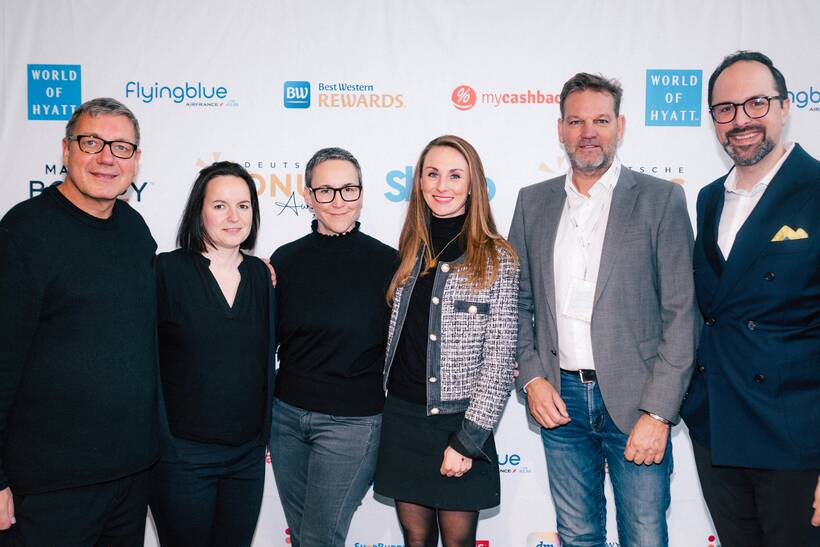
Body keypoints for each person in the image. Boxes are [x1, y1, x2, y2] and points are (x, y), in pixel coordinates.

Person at [508, 73, 697, 546]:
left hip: (638, 403)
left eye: (600, 120)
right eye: (576, 121)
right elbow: (518, 303)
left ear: (621, 125)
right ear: (560, 129)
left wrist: (658, 413)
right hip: (560, 399)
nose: (587, 132)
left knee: (645, 535)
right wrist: (531, 379)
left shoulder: (660, 199)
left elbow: (682, 312)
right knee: (577, 535)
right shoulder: (533, 203)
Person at [0, 98, 159, 546]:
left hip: (129, 479)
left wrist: (245, 269)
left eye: (122, 147)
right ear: (66, 150)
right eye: (92, 142)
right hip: (48, 488)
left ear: (137, 160)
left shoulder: (134, 229)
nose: (107, 157)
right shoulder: (23, 234)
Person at [680, 50, 820, 545]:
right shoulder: (708, 198)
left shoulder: (816, 188)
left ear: (785, 107)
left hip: (795, 436)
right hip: (718, 427)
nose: (741, 120)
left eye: (756, 104)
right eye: (725, 109)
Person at [374, 135, 519, 547]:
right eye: (432, 174)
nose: (442, 185)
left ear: (473, 185)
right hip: (402, 418)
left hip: (459, 422)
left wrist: (468, 441)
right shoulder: (408, 251)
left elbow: (499, 361)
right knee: (415, 540)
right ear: (419, 182)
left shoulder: (497, 259)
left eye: (455, 175)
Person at [268, 147, 397, 547]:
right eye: (326, 190)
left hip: (352, 424)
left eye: (348, 189)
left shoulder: (389, 263)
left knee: (319, 539)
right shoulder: (284, 261)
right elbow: (263, 340)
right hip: (285, 419)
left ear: (362, 192)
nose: (338, 201)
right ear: (308, 196)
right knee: (305, 536)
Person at [148, 161, 275, 546]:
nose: (234, 217)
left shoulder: (261, 276)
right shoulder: (164, 272)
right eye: (220, 205)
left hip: (246, 458)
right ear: (199, 213)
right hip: (183, 458)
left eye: (244, 205)